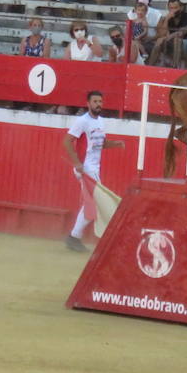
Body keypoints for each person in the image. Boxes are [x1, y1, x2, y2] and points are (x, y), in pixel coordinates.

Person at [62, 90, 124, 252]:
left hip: (93, 167)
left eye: (100, 102)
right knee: (95, 202)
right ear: (88, 104)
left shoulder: (101, 122)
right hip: (86, 167)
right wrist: (77, 163)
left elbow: (100, 143)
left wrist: (115, 144)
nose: (98, 104)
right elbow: (67, 141)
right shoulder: (82, 121)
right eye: (95, 102)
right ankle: (75, 237)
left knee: (91, 203)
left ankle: (74, 237)